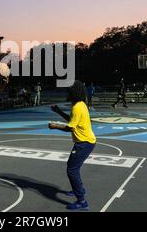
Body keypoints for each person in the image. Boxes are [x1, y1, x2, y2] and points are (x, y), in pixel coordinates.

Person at [49, 80, 96, 211]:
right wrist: (58, 111)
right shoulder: (80, 104)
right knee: (74, 168)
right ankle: (79, 190)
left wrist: (55, 126)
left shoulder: (77, 107)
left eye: (69, 90)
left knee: (72, 170)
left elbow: (70, 128)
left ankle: (82, 201)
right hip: (87, 142)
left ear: (73, 92)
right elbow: (72, 121)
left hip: (84, 143)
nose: (67, 92)